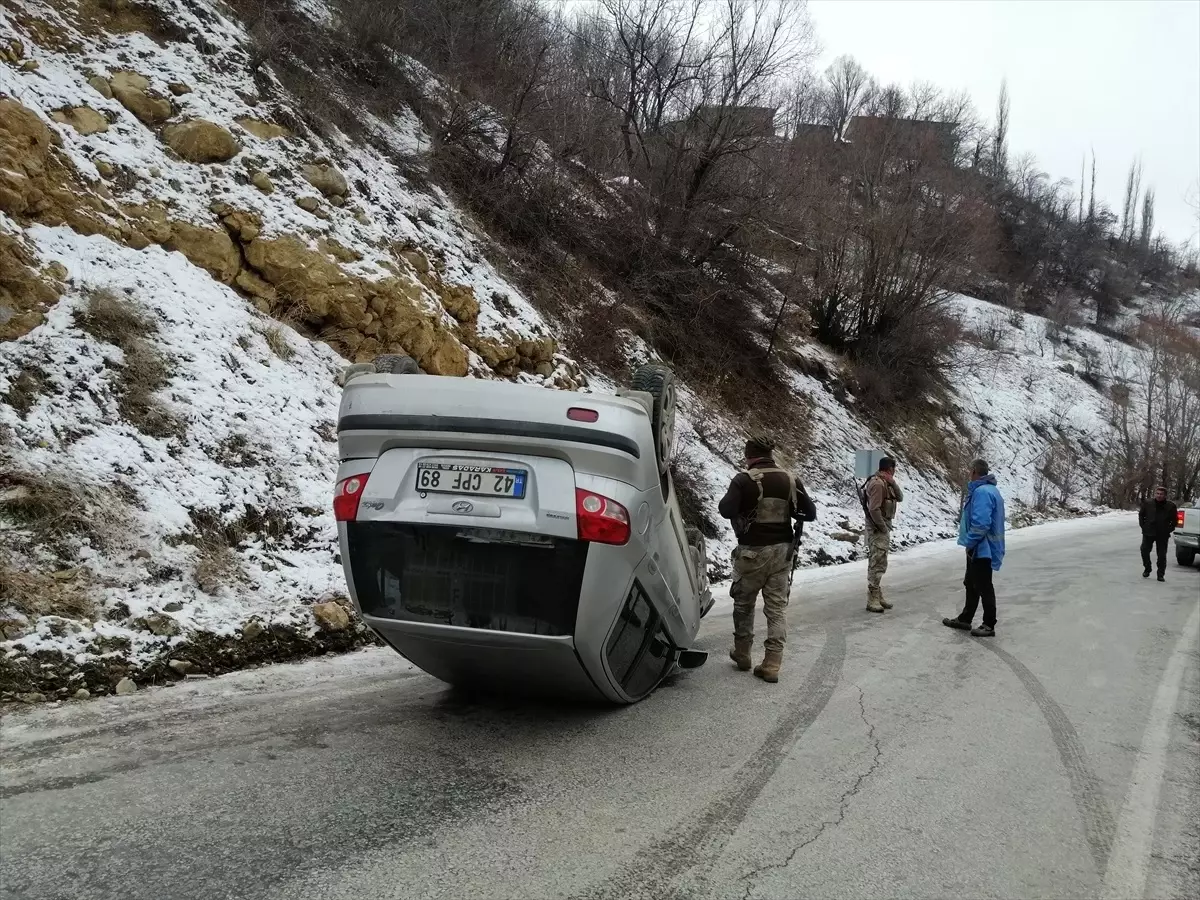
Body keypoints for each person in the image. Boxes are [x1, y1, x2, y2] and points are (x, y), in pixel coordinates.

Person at [718, 435, 817, 683]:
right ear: (771, 455)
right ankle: (772, 663)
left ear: (750, 456)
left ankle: (742, 654)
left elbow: (725, 510)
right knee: (776, 609)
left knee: (744, 605)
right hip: (782, 553)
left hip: (752, 554)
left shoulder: (744, 479)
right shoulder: (790, 480)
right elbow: (809, 513)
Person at [942, 459, 1005, 637]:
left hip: (982, 548)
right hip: (983, 547)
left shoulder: (982, 492)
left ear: (974, 472)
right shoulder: (990, 490)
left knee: (983, 585)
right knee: (971, 582)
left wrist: (970, 542)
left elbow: (981, 524)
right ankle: (965, 618)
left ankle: (988, 624)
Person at [862, 456, 903, 613]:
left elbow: (900, 497)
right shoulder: (878, 484)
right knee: (877, 562)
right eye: (893, 469)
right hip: (878, 528)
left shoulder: (887, 483)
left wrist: (892, 482)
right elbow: (874, 509)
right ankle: (872, 596)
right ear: (890, 469)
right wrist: (883, 528)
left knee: (880, 561)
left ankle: (877, 594)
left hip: (883, 526)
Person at [1138, 485, 1178, 582]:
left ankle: (1160, 574)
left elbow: (1175, 520)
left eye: (1161, 494)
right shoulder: (1148, 503)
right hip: (1148, 531)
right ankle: (1147, 568)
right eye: (1157, 493)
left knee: (1161, 555)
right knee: (1144, 550)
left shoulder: (1170, 506)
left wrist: (1168, 529)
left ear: (1165, 496)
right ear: (1155, 494)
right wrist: (1143, 526)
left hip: (1162, 534)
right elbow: (1141, 515)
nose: (1159, 496)